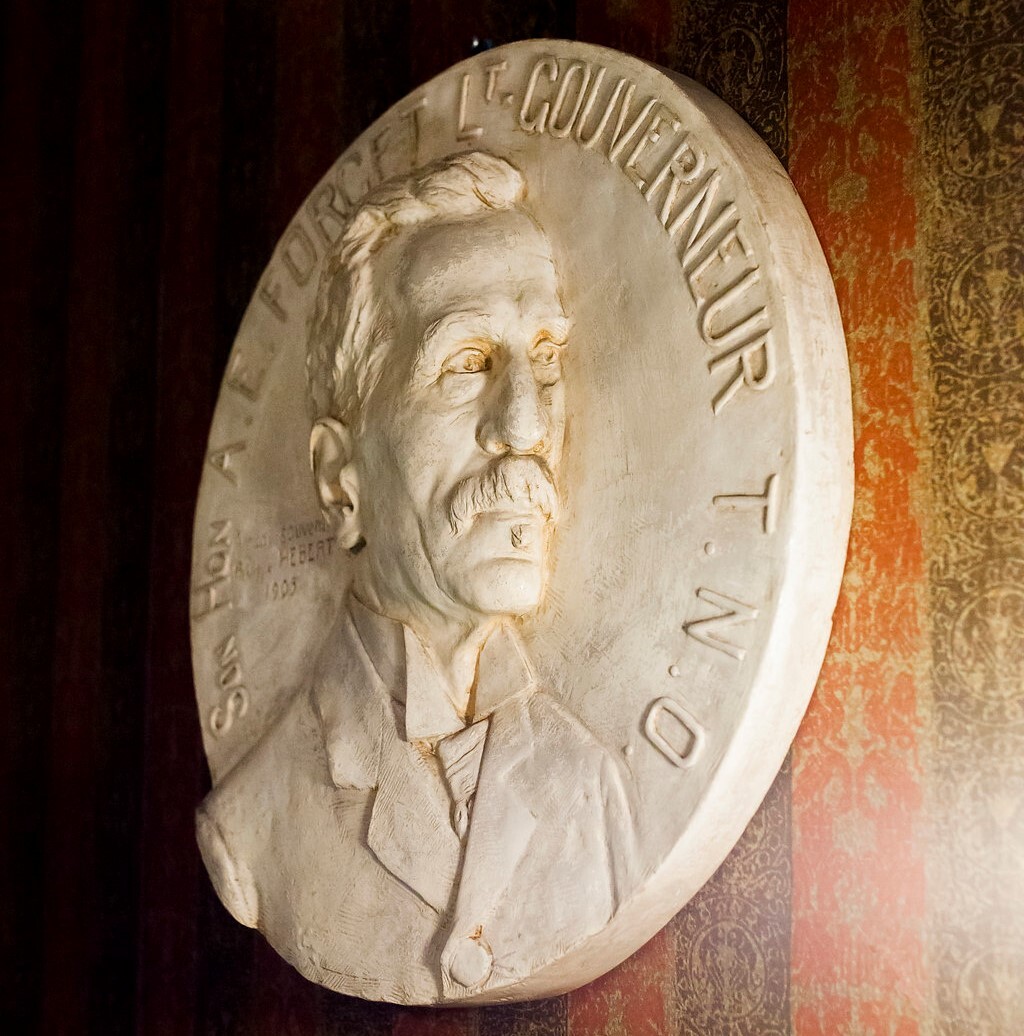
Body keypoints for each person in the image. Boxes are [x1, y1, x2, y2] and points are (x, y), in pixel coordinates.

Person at [197, 151, 637, 1004]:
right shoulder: (254, 829)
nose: (526, 425)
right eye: (467, 363)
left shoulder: (591, 785)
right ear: (339, 479)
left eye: (544, 357)